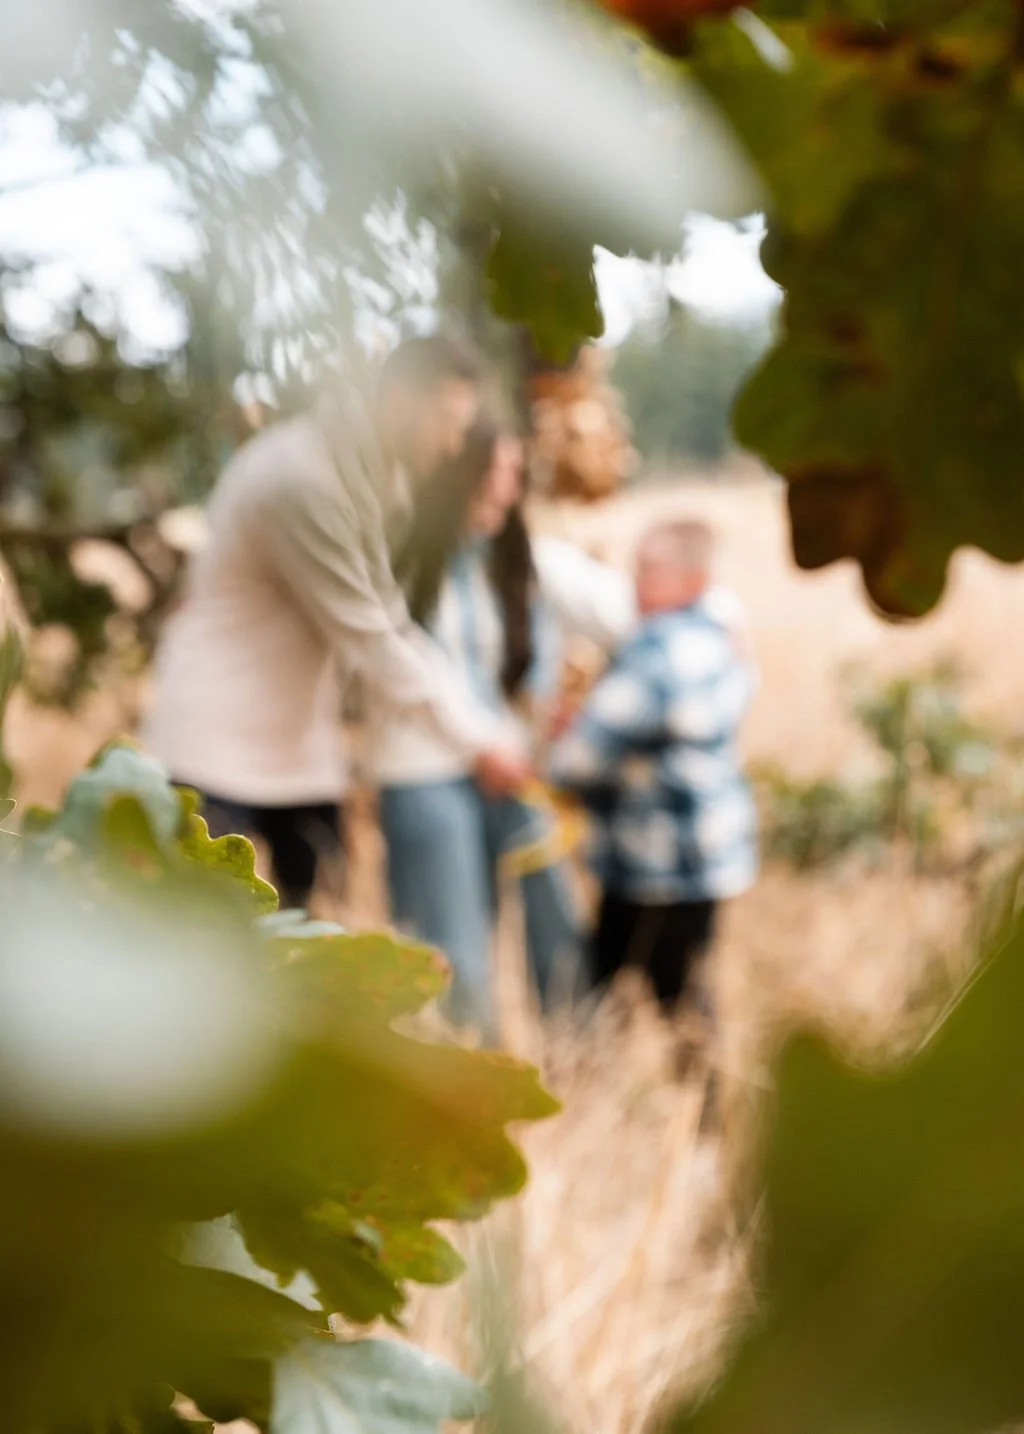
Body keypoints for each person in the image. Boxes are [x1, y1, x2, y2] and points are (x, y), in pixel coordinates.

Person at [143, 337, 530, 909]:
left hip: (299, 755)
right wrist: (478, 743)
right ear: (400, 401)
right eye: (447, 422)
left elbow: (390, 623)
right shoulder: (303, 480)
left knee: (318, 939)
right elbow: (371, 638)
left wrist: (481, 731)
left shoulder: (378, 480)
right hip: (214, 751)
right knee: (204, 946)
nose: (454, 446)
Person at [366, 415, 631, 1037]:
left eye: (515, 473)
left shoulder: (530, 560)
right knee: (451, 953)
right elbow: (401, 669)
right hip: (425, 772)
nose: (509, 488)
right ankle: (471, 1099)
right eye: (497, 472)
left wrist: (595, 714)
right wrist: (483, 745)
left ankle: (582, 1069)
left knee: (559, 930)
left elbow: (641, 619)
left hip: (518, 773)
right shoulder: (388, 563)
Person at [549, 518, 757, 1030]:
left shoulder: (657, 653)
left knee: (614, 990)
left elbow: (581, 759)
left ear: (693, 578)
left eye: (651, 571)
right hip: (707, 855)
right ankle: (705, 1103)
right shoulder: (721, 636)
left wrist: (557, 746)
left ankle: (612, 1092)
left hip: (655, 862)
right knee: (684, 989)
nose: (636, 583)